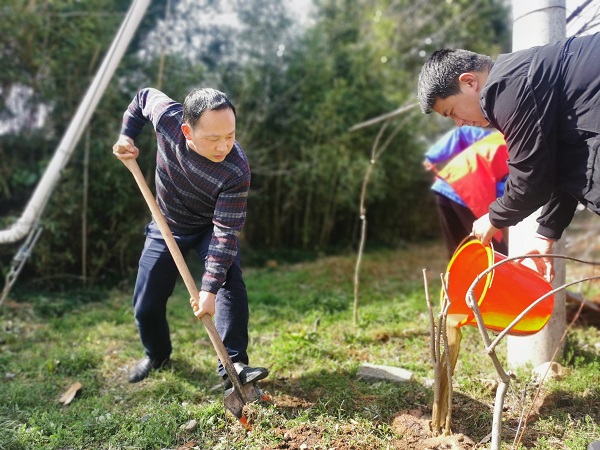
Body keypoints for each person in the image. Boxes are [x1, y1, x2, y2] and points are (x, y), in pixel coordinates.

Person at [112, 87, 268, 390]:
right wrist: (127, 136)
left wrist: (208, 289)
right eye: (213, 138)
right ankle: (157, 355)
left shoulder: (236, 169)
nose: (224, 146)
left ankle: (233, 366)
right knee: (146, 304)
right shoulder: (168, 119)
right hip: (166, 223)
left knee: (228, 282)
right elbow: (143, 98)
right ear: (187, 131)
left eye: (230, 135)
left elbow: (225, 233)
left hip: (209, 228)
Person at [417, 32, 600, 281]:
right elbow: (561, 163)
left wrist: (494, 218)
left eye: (452, 112)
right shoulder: (522, 75)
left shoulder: (505, 88)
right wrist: (546, 232)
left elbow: (530, 181)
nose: (459, 123)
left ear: (469, 82)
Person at [424, 126, 509, 257]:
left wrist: (432, 157)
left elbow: (460, 133)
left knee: (457, 250)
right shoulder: (522, 155)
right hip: (470, 192)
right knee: (495, 253)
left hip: (446, 183)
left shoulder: (495, 138)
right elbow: (514, 191)